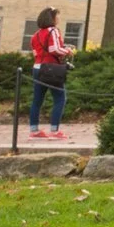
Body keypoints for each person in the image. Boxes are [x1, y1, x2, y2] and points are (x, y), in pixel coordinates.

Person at [28, 7, 72, 140]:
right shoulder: (53, 31)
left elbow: (35, 52)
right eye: (57, 16)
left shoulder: (35, 35)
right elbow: (54, 49)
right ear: (52, 18)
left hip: (37, 67)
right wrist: (68, 51)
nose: (58, 18)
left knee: (37, 100)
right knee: (60, 98)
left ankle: (34, 130)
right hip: (51, 68)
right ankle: (54, 130)